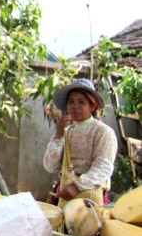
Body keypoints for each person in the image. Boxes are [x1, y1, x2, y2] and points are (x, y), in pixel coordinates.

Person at [43, 79, 117, 207]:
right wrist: (58, 136)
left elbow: (103, 167)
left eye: (81, 102)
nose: (75, 106)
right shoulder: (66, 133)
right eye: (71, 102)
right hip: (65, 194)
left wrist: (77, 186)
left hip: (89, 196)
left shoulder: (103, 132)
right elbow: (51, 166)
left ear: (92, 106)